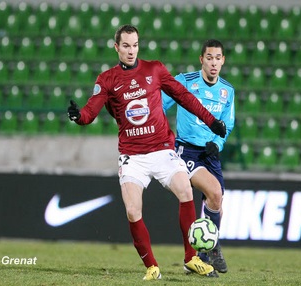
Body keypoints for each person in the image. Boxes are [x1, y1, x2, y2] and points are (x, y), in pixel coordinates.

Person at [67, 25, 226, 280]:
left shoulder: (155, 69)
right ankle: (152, 267)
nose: (131, 51)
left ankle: (191, 259)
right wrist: (79, 117)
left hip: (163, 149)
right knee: (132, 211)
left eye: (135, 45)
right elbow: (90, 111)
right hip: (133, 156)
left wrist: (210, 121)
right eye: (126, 46)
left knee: (185, 190)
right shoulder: (107, 79)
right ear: (116, 47)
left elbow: (184, 96)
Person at [162, 39, 235, 274]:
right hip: (187, 150)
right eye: (209, 58)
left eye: (218, 58)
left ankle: (200, 256)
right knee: (214, 191)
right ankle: (211, 249)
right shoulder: (185, 82)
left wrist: (218, 143)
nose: (214, 63)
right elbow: (159, 105)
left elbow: (227, 125)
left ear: (223, 61)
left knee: (216, 202)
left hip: (210, 153)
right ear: (201, 59)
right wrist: (163, 134)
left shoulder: (227, 91)